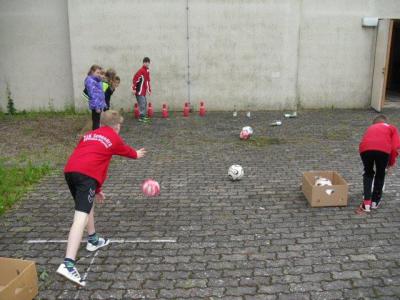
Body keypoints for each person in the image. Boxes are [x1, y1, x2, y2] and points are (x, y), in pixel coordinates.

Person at [56, 110, 146, 286]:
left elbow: (93, 157)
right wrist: (137, 153)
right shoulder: (114, 138)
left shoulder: (89, 135)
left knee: (87, 206)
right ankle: (68, 264)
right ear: (117, 126)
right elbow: (129, 152)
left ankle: (93, 240)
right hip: (86, 176)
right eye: (119, 125)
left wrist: (96, 189)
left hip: (71, 171)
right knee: (80, 217)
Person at [357, 114, 400, 214]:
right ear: (386, 122)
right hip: (383, 150)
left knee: (368, 173)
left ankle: (366, 203)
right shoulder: (391, 128)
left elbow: (363, 141)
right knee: (380, 174)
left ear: (374, 123)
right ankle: (375, 202)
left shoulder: (370, 128)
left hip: (365, 149)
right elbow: (394, 148)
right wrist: (391, 163)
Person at [85, 65, 106, 130]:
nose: (99, 74)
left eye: (100, 73)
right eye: (97, 73)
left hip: (99, 104)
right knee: (96, 121)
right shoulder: (90, 81)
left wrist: (103, 104)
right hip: (96, 105)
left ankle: (98, 133)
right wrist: (97, 107)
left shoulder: (97, 80)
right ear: (92, 72)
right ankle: (96, 134)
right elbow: (92, 95)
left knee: (99, 121)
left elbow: (101, 93)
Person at [132, 57, 151, 122]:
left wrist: (149, 90)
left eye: (148, 62)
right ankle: (141, 117)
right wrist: (134, 88)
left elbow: (148, 81)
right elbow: (135, 79)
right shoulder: (141, 71)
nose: (147, 63)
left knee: (145, 103)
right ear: (143, 63)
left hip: (143, 91)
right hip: (139, 91)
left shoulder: (147, 71)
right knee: (142, 103)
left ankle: (143, 116)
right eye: (146, 62)